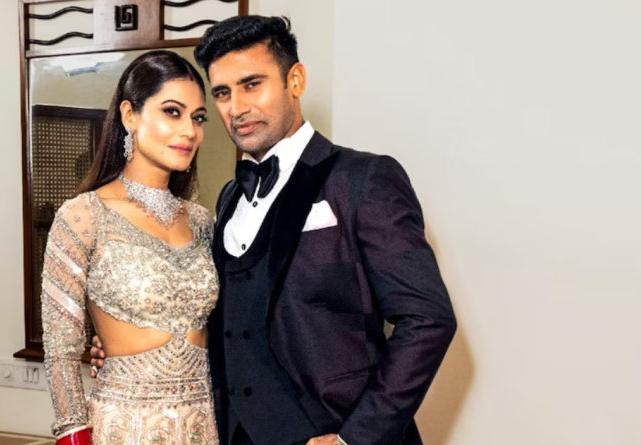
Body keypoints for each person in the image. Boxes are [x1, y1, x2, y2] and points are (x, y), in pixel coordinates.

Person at [92, 15, 458, 445]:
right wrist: (127, 348)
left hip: (332, 431)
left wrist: (355, 439)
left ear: (295, 80)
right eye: (223, 93)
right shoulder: (228, 198)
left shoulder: (363, 179)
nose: (237, 108)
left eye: (252, 84)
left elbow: (428, 319)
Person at [41, 50, 220, 445]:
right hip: (125, 426)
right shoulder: (83, 217)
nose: (190, 131)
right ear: (129, 115)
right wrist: (73, 434)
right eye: (172, 112)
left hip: (207, 423)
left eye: (198, 118)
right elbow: (60, 349)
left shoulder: (202, 222)